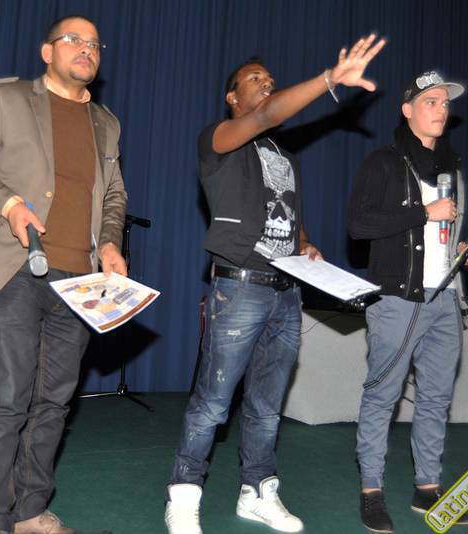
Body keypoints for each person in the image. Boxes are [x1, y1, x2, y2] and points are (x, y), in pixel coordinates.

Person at [165, 35, 385, 534]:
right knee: (213, 404)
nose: (266, 83)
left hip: (286, 293)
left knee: (267, 407)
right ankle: (184, 493)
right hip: (239, 289)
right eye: (254, 79)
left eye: (270, 79)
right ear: (232, 97)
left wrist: (306, 245)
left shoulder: (285, 158)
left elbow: (286, 218)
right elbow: (265, 116)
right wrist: (329, 79)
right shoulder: (218, 139)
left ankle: (258, 491)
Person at [0, 15, 127, 534]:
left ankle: (28, 511)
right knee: (7, 400)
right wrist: (7, 204)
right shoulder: (7, 97)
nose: (86, 49)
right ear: (48, 52)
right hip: (18, 268)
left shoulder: (107, 122)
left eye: (95, 44)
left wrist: (109, 241)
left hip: (80, 282)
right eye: (74, 40)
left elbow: (114, 195)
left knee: (53, 404)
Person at [347, 70, 468, 533]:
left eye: (445, 102)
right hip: (399, 300)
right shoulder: (383, 163)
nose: (441, 109)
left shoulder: (451, 171)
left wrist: (463, 252)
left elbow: (445, 234)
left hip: (446, 298)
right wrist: (423, 212)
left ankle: (428, 488)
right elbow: (358, 225)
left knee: (436, 399)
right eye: (431, 101)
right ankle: (371, 491)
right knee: (382, 396)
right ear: (407, 110)